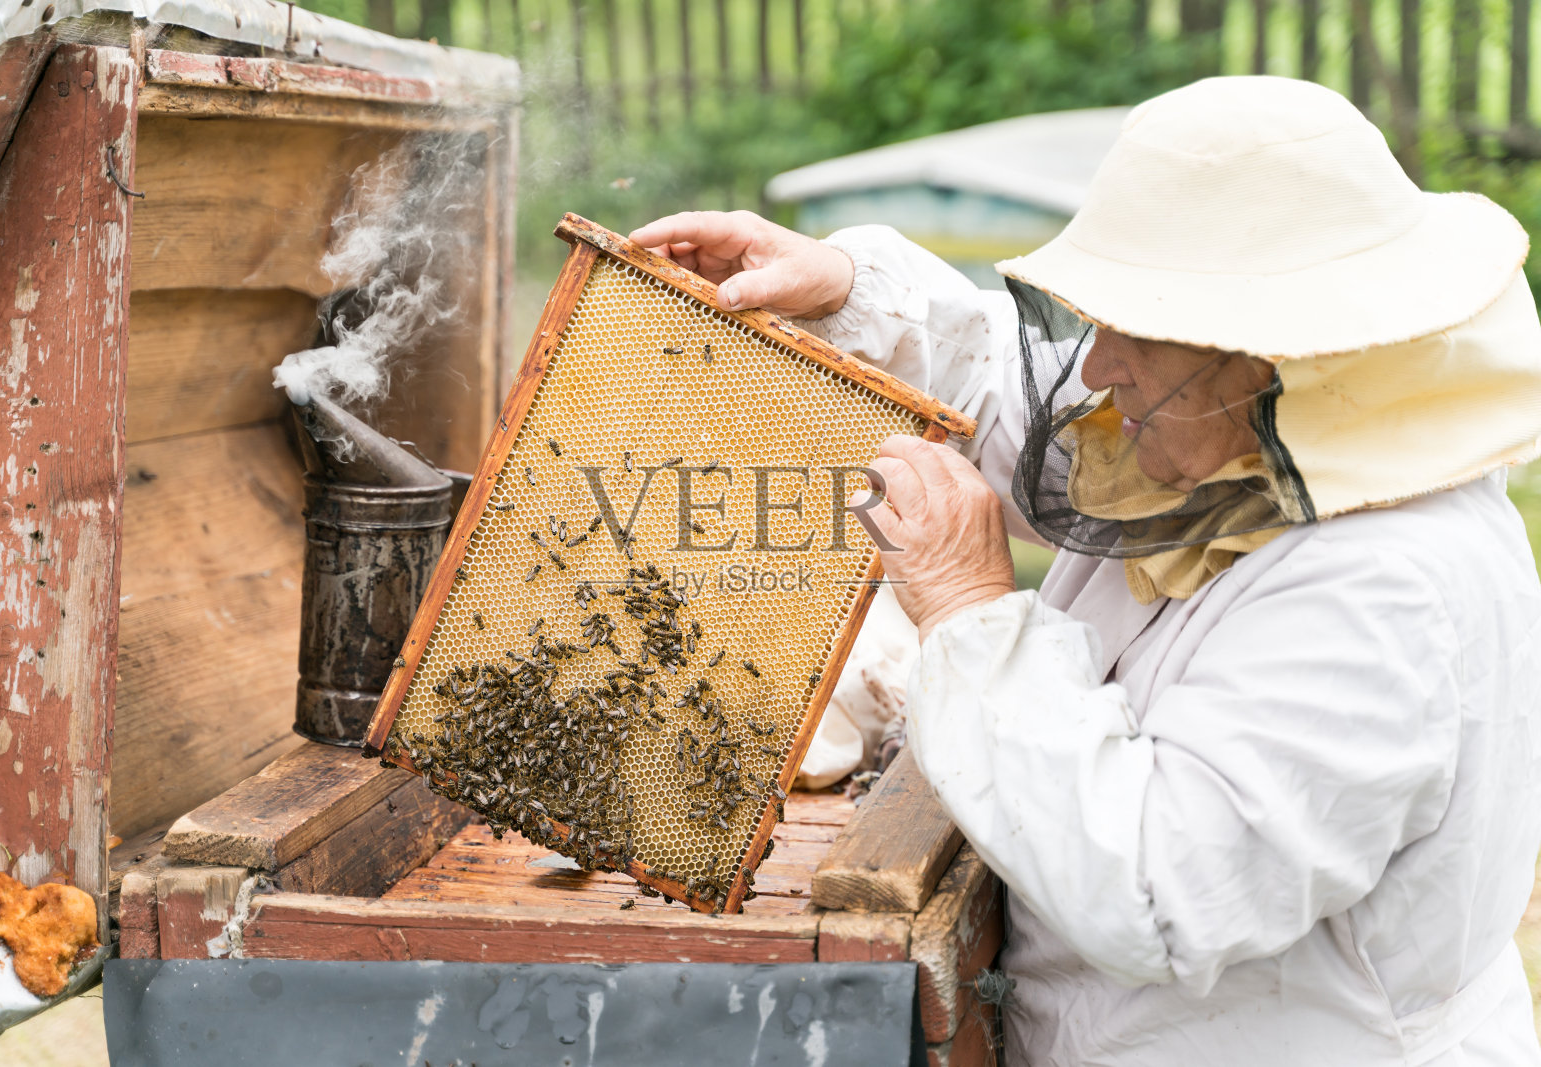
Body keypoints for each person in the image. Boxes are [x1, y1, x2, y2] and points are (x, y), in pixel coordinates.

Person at [631, 75, 1541, 1064]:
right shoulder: (1246, 422)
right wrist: (850, 293)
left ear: (1277, 350)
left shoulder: (1382, 587)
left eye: (1137, 332)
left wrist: (972, 608)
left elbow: (1160, 890)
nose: (1099, 365)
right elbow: (1021, 397)